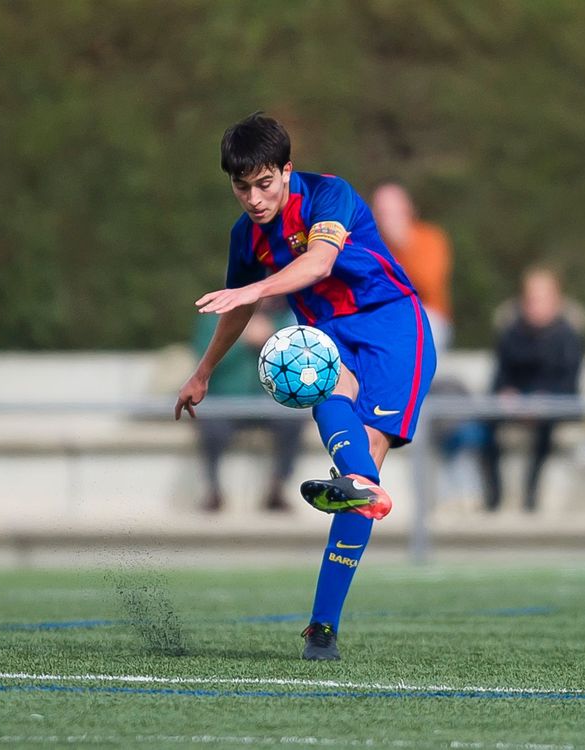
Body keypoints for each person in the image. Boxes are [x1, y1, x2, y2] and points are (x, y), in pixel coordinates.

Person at [174, 113, 436, 661]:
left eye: (264, 183)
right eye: (241, 187)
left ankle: (323, 621)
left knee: (361, 479)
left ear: (286, 171)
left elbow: (318, 264)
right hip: (324, 338)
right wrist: (202, 372)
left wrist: (254, 289)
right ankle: (325, 622)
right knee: (354, 474)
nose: (253, 198)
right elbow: (235, 310)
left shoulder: (326, 195)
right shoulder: (244, 236)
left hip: (391, 327)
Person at [480, 268, 583, 512]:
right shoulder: (511, 333)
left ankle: (531, 497)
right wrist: (507, 393)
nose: (534, 305)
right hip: (517, 406)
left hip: (554, 407)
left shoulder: (567, 336)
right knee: (485, 428)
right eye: (530, 298)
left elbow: (570, 384)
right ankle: (494, 499)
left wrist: (544, 400)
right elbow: (500, 377)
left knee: (546, 430)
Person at [189, 299, 302, 512]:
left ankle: (278, 487)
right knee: (212, 429)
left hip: (269, 402)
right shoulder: (212, 320)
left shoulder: (284, 320)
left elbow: (296, 365)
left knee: (292, 422)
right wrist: (238, 338)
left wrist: (269, 340)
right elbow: (203, 361)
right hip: (224, 400)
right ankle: (212, 490)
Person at [371, 182, 454, 351]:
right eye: (383, 213)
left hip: (426, 315)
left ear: (408, 210)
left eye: (394, 212)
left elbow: (430, 285)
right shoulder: (373, 246)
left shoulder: (430, 238)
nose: (388, 220)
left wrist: (403, 244)